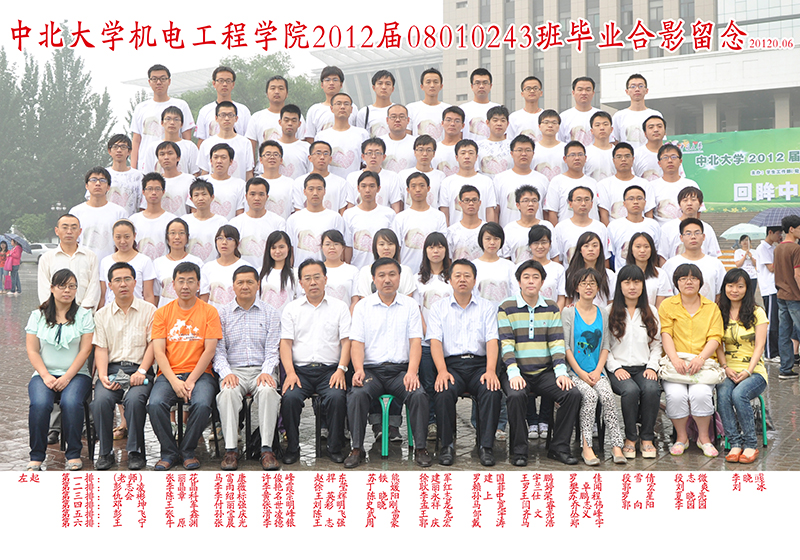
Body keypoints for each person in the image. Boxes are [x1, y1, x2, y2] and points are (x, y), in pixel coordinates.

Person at [346, 257, 432, 468]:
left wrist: (412, 372)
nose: (387, 280)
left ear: (399, 278)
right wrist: (358, 369)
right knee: (357, 394)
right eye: (382, 275)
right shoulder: (363, 306)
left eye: (392, 274)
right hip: (371, 371)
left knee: (418, 394)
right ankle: (356, 448)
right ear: (374, 279)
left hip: (400, 372)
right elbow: (357, 343)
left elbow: (415, 341)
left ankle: (421, 448)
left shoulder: (410, 306)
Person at [498, 260, 581, 466]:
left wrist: (561, 372)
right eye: (526, 277)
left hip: (544, 371)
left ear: (542, 282)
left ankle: (558, 447)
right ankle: (519, 450)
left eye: (536, 277)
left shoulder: (551, 307)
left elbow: (556, 342)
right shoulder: (506, 307)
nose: (531, 281)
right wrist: (513, 372)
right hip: (517, 371)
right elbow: (506, 344)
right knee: (516, 395)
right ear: (519, 282)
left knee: (571, 394)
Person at [148, 262, 222, 470]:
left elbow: (210, 350)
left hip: (201, 374)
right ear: (173, 284)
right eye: (181, 281)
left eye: (191, 281)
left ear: (198, 284)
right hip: (169, 374)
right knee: (155, 404)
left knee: (202, 405)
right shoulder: (162, 313)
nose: (185, 286)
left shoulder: (209, 312)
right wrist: (174, 380)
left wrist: (190, 380)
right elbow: (159, 352)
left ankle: (188, 450)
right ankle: (169, 452)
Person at [429, 259, 501, 466]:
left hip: (480, 365)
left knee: (491, 390)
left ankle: (486, 446)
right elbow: (435, 342)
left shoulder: (487, 307)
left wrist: (490, 370)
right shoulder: (438, 308)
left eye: (467, 276)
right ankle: (446, 445)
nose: (462, 279)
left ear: (475, 281)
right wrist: (442, 371)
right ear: (450, 280)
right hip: (452, 366)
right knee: (443, 391)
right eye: (458, 275)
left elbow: (492, 341)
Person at [280, 259, 351, 464]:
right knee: (290, 398)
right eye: (308, 278)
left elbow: (346, 342)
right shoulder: (292, 309)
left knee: (337, 397)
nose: (313, 282)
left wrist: (341, 369)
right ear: (301, 283)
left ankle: (334, 447)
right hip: (300, 371)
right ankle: (292, 447)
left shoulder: (339, 307)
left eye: (317, 277)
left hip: (330, 370)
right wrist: (290, 373)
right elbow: (285, 343)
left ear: (325, 279)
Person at [214, 265, 281, 471]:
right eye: (240, 282)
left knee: (268, 391)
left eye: (250, 282)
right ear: (233, 286)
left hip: (262, 369)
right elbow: (219, 352)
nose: (245, 286)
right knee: (227, 393)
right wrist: (227, 373)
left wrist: (266, 371)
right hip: (234, 370)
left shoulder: (271, 313)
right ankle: (231, 450)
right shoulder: (222, 314)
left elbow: (273, 350)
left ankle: (266, 449)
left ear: (258, 285)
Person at [26, 269, 94, 471]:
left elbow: (85, 350)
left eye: (72, 286)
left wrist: (67, 377)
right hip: (44, 374)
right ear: (52, 288)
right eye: (62, 286)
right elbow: (32, 350)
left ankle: (73, 454)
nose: (67, 290)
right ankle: (36, 456)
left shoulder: (84, 315)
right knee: (40, 404)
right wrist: (46, 376)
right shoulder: (37, 315)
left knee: (71, 402)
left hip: (77, 375)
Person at [90, 262, 156, 471]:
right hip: (111, 371)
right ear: (110, 285)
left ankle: (135, 452)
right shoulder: (102, 315)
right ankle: (105, 453)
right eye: (117, 280)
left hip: (140, 370)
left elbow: (153, 345)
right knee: (101, 401)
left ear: (135, 282)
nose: (123, 284)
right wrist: (102, 376)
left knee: (135, 400)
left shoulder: (149, 310)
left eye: (127, 279)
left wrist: (142, 371)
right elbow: (101, 348)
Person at [561, 268, 626, 465]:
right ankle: (586, 447)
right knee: (589, 397)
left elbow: (605, 345)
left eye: (592, 283)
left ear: (598, 288)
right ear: (576, 287)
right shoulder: (568, 312)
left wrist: (598, 371)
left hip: (597, 371)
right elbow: (566, 347)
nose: (588, 287)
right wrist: (581, 373)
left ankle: (616, 446)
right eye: (583, 283)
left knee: (607, 396)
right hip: (575, 372)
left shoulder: (602, 312)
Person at [658, 263, 723, 457]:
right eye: (683, 278)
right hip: (675, 363)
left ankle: (704, 438)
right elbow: (666, 334)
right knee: (676, 395)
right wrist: (674, 359)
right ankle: (681, 437)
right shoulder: (667, 305)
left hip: (703, 363)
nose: (689, 282)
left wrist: (701, 358)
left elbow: (715, 337)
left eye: (693, 278)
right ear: (676, 282)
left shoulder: (711, 308)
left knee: (701, 393)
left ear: (700, 282)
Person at [607, 265, 662, 460]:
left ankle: (647, 437)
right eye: (627, 282)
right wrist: (615, 368)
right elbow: (604, 347)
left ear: (643, 286)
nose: (632, 287)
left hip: (643, 367)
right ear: (620, 286)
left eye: (637, 282)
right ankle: (630, 438)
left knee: (651, 388)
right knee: (630, 391)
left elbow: (657, 345)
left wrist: (652, 367)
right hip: (617, 368)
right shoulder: (609, 311)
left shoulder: (651, 311)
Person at [716, 268, 768, 463]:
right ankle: (735, 443)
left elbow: (760, 346)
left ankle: (751, 444)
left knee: (739, 394)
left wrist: (748, 370)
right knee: (723, 393)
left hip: (755, 371)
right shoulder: (719, 312)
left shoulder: (757, 312)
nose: (734, 290)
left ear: (747, 288)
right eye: (730, 286)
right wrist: (725, 367)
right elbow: (717, 343)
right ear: (724, 287)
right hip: (728, 369)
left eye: (740, 286)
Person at [415, 232, 453, 441]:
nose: (435, 251)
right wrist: (429, 334)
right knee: (429, 384)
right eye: (431, 247)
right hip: (426, 342)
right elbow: (416, 310)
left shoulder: (452, 277)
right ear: (425, 251)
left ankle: (447, 423)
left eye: (440, 247)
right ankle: (431, 422)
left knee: (447, 385)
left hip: (450, 342)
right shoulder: (418, 280)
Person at [130, 64, 194, 170]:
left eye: (163, 79)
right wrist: (133, 168)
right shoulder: (141, 108)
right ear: (149, 82)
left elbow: (187, 137)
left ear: (169, 81)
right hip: (147, 164)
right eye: (154, 79)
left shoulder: (181, 105)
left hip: (175, 165)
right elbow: (136, 140)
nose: (159, 82)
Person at [69, 166, 127, 263]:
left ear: (108, 187)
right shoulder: (76, 212)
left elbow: (123, 243)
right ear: (86, 186)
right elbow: (72, 242)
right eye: (93, 180)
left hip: (111, 266)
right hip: (83, 265)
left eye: (102, 180)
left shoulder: (119, 212)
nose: (98, 183)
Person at [394, 172, 448, 273]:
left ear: (428, 188)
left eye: (422, 185)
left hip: (432, 274)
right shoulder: (400, 218)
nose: (418, 189)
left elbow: (442, 246)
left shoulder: (439, 216)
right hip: (407, 272)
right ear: (408, 190)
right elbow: (396, 249)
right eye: (413, 186)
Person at [286, 173, 346, 264]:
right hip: (299, 269)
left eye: (319, 189)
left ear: (324, 191)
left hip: (325, 270)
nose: (315, 193)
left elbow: (339, 250)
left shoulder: (335, 218)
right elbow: (290, 250)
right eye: (311, 189)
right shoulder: (293, 219)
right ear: (304, 192)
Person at [662, 218, 727, 302]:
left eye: (697, 233)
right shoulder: (671, 264)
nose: (693, 237)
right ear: (681, 238)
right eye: (688, 233)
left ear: (703, 237)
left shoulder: (716, 264)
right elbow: (666, 295)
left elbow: (720, 294)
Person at [342, 170, 397, 269]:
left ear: (378, 188)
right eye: (363, 186)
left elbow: (394, 245)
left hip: (383, 269)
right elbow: (348, 246)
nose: (367, 190)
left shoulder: (389, 214)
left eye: (372, 186)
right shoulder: (349, 214)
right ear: (358, 188)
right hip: (358, 268)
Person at [228, 177, 287, 268]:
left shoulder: (278, 222)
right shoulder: (235, 223)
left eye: (261, 194)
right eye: (252, 194)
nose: (257, 198)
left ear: (267, 197)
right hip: (242, 273)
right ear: (246, 196)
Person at [99, 220, 156, 310]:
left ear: (134, 236)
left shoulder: (145, 261)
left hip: (137, 311)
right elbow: (103, 295)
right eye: (118, 237)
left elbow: (148, 295)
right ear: (113, 237)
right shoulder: (105, 261)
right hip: (111, 312)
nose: (122, 241)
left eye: (127, 237)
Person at [493, 135, 549, 227]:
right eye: (519, 150)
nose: (523, 154)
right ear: (512, 153)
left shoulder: (543, 180)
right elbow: (495, 211)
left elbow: (546, 212)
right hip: (508, 232)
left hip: (537, 233)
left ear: (533, 153)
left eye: (528, 150)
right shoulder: (499, 179)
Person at [439, 139, 497, 224]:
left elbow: (489, 211)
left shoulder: (487, 181)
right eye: (463, 153)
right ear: (456, 157)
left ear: (476, 157)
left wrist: (490, 230)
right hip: (455, 231)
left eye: (471, 153)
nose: (467, 156)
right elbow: (445, 212)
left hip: (482, 230)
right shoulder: (447, 182)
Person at [247, 76, 306, 159]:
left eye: (281, 88)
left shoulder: (296, 117)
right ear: (267, 93)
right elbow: (251, 149)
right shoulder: (256, 117)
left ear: (287, 93)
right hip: (264, 166)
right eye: (273, 88)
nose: (277, 92)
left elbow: (302, 145)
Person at [658, 186, 721, 261]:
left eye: (693, 200)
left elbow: (713, 256)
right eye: (685, 200)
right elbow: (663, 256)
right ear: (679, 205)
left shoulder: (707, 228)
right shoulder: (667, 228)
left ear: (700, 204)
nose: (689, 203)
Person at [597, 142, 654, 225]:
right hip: (615, 230)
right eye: (619, 157)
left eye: (627, 156)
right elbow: (604, 215)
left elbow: (648, 214)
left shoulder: (645, 184)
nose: (623, 159)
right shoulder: (604, 185)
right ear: (613, 160)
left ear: (633, 159)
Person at [606, 185, 661, 270]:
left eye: (639, 198)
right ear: (624, 203)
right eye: (631, 199)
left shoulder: (653, 225)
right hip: (623, 274)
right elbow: (611, 254)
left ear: (645, 202)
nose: (635, 202)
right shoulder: (614, 226)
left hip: (648, 273)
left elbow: (656, 253)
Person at [153, 217, 204, 308]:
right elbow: (155, 295)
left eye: (181, 233)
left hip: (191, 312)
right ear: (167, 237)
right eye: (172, 233)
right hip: (166, 312)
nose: (177, 237)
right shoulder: (158, 263)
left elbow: (200, 293)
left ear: (187, 237)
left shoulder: (197, 262)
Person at [543, 141, 599, 223]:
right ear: (565, 159)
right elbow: (552, 212)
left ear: (585, 158)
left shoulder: (593, 183)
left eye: (580, 154)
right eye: (572, 155)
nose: (577, 158)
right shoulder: (557, 182)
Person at [317, 93, 370, 179]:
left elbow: (366, 162)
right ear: (331, 108)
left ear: (351, 109)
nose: (342, 107)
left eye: (346, 104)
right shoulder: (321, 136)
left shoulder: (362, 134)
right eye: (338, 104)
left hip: (355, 183)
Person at [552, 186, 609, 266]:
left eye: (587, 200)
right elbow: (558, 260)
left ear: (592, 204)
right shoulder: (561, 228)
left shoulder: (600, 227)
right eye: (579, 200)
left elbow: (605, 259)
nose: (583, 204)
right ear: (570, 204)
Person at [195, 66, 251, 147]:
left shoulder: (243, 111)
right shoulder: (205, 111)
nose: (224, 84)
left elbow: (248, 140)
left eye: (228, 81)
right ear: (214, 83)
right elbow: (201, 140)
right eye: (221, 81)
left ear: (233, 84)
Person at [773, 214, 800, 380]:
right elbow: (797, 275)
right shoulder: (796, 249)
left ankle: (785, 368)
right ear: (791, 229)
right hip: (795, 297)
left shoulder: (778, 249)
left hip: (781, 295)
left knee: (784, 333)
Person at [128, 172, 177, 261]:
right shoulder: (133, 220)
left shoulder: (172, 220)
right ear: (143, 192)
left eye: (157, 189)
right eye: (150, 189)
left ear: (163, 192)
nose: (154, 193)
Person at [138, 107, 200, 177]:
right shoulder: (152, 147)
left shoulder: (190, 147)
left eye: (176, 119)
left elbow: (195, 173)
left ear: (181, 124)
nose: (172, 123)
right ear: (162, 123)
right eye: (168, 119)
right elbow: (147, 174)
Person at [291, 141, 350, 214]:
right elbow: (298, 212)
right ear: (310, 158)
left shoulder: (340, 182)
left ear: (330, 159)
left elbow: (342, 211)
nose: (322, 157)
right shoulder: (299, 182)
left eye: (325, 154)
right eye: (318, 153)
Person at [502, 186, 556, 265]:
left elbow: (555, 255)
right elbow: (506, 259)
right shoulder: (509, 229)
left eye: (534, 201)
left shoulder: (547, 226)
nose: (530, 204)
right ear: (518, 205)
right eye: (526, 201)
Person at [304, 66, 359, 142]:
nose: (331, 83)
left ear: (341, 84)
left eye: (335, 80)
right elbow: (310, 138)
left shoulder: (351, 107)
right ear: (322, 85)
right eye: (327, 80)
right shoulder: (314, 110)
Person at [347, 138, 403, 212]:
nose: (373, 156)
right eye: (369, 153)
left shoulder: (392, 177)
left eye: (377, 153)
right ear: (363, 156)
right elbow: (350, 205)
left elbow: (395, 206)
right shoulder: (352, 177)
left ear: (384, 157)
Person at [195, 143, 246, 221]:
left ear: (231, 161)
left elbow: (240, 214)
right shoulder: (200, 181)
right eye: (216, 157)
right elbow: (194, 211)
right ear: (211, 161)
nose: (219, 161)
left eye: (223, 157)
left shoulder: (240, 185)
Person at [201, 225, 248, 310]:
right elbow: (204, 299)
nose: (224, 242)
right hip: (213, 316)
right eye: (220, 238)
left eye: (229, 239)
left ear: (237, 243)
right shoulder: (207, 267)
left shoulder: (245, 267)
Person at [651, 145, 700, 226]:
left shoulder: (691, 184)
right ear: (659, 163)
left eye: (673, 157)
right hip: (661, 231)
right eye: (665, 157)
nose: (670, 160)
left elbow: (697, 211)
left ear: (680, 161)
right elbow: (649, 215)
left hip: (686, 231)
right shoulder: (652, 186)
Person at [564, 230, 616, 307]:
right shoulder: (571, 274)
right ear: (580, 250)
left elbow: (611, 301)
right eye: (586, 246)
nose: (591, 249)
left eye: (595, 246)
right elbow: (568, 300)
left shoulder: (609, 275)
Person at [472, 222, 518, 306]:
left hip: (504, 312)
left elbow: (515, 293)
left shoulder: (509, 266)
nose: (492, 242)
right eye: (488, 239)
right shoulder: (473, 266)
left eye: (496, 239)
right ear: (481, 240)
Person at [610, 74, 662, 148]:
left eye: (640, 86)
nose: (637, 89)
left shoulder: (655, 115)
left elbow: (660, 141)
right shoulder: (619, 116)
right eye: (633, 86)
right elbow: (614, 142)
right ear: (627, 91)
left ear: (646, 90)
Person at [397, 135, 446, 211]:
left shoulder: (440, 176)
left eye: (429, 150)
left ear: (434, 153)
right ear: (415, 152)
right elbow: (400, 203)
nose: (425, 154)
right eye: (421, 150)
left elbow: (442, 204)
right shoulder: (403, 175)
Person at [756, 226, 782, 362]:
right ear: (770, 232)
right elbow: (771, 268)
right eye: (778, 233)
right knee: (771, 321)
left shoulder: (773, 248)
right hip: (769, 288)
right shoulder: (763, 248)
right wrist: (781, 253)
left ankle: (776, 351)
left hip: (776, 287)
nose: (780, 236)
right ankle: (770, 353)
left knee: (776, 320)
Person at [626, 232, 672, 309]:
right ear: (631, 249)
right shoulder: (622, 272)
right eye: (638, 246)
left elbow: (660, 306)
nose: (642, 250)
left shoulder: (660, 274)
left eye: (646, 247)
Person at [102, 134, 143, 217]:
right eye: (115, 147)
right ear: (109, 151)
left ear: (129, 151)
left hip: (130, 221)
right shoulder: (103, 174)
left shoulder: (138, 176)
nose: (119, 150)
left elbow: (143, 204)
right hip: (107, 220)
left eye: (123, 147)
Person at [259, 231, 298, 315]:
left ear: (288, 248)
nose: (277, 251)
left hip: (289, 319)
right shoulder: (260, 272)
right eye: (273, 248)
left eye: (281, 247)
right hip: (265, 319)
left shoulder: (296, 273)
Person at [255, 141, 296, 221]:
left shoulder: (291, 183)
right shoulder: (254, 183)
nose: (272, 157)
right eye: (268, 154)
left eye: (276, 154)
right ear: (260, 159)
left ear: (281, 160)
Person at [151, 138, 195, 214]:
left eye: (170, 153)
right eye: (162, 154)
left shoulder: (190, 180)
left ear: (178, 158)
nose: (166, 157)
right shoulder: (154, 182)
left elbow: (194, 209)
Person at [407, 68, 449, 141]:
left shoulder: (448, 109)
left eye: (435, 82)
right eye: (428, 82)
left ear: (441, 86)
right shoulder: (411, 109)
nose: (432, 85)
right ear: (422, 86)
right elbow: (407, 136)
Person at [320, 229, 359, 307]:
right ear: (322, 247)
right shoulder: (317, 270)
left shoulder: (352, 270)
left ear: (343, 247)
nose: (332, 247)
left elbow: (355, 300)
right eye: (327, 244)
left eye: (336, 244)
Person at [446, 185, 485, 261]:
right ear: (460, 203)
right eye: (467, 200)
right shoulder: (451, 232)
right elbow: (448, 260)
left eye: (474, 200)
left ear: (479, 203)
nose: (471, 203)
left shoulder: (487, 230)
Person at [459, 68, 499, 142]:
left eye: (485, 83)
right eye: (477, 83)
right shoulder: (462, 109)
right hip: (469, 149)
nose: (481, 86)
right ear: (472, 86)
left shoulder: (498, 109)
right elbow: (458, 135)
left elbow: (504, 135)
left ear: (490, 86)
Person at [273, 105, 311, 181]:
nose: (290, 123)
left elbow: (311, 173)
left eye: (294, 120)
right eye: (286, 120)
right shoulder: (271, 146)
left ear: (299, 124)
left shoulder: (307, 148)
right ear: (280, 122)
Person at [558, 77, 599, 146]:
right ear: (573, 93)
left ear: (593, 93)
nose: (584, 93)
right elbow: (560, 142)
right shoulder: (564, 117)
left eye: (588, 90)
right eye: (580, 90)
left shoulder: (601, 115)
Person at [355, 70, 395, 137]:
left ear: (392, 88)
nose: (384, 87)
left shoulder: (399, 110)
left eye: (388, 84)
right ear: (374, 88)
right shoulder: (364, 112)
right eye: (380, 83)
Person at [476, 105, 513, 177]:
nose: (499, 124)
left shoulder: (514, 146)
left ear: (507, 124)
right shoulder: (477, 146)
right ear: (487, 123)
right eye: (495, 120)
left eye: (503, 120)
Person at [378, 104, 416, 172]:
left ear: (408, 120)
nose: (397, 120)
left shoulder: (416, 143)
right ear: (387, 120)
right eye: (393, 117)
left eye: (401, 117)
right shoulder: (378, 143)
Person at [531, 110, 567, 182]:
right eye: (546, 122)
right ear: (539, 126)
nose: (550, 125)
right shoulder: (532, 148)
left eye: (554, 123)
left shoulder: (566, 148)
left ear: (558, 127)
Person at [507, 76, 544, 142]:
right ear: (522, 94)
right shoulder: (513, 117)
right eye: (528, 88)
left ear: (541, 93)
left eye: (535, 88)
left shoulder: (546, 116)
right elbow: (509, 141)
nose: (532, 91)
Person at [431, 106, 465, 177]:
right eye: (448, 120)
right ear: (442, 123)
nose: (452, 124)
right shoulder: (434, 148)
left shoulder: (467, 149)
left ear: (463, 125)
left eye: (457, 121)